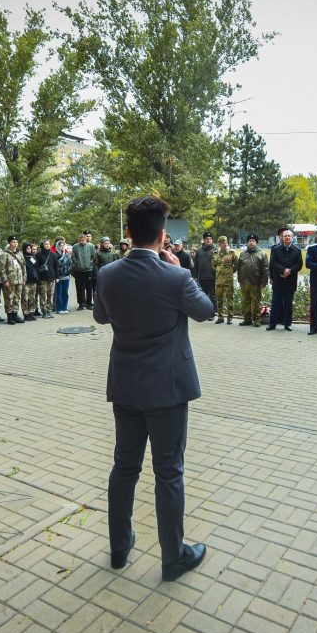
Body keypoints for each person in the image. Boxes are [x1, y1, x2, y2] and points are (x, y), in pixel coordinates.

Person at [93, 195, 213, 582]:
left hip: (126, 386)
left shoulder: (108, 273)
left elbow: (100, 317)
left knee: (124, 467)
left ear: (128, 232)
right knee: (169, 473)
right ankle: (172, 557)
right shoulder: (176, 277)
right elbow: (206, 311)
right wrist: (182, 272)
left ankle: (119, 546)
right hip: (168, 390)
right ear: (163, 236)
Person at [267, 227, 302, 331]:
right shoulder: (276, 249)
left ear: (292, 237)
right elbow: (273, 263)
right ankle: (272, 324)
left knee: (288, 304)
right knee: (275, 303)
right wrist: (283, 270)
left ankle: (287, 324)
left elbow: (299, 265)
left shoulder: (297, 250)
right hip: (278, 280)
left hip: (290, 281)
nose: (287, 237)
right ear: (282, 237)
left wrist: (289, 271)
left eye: (289, 236)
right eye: (285, 236)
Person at [236, 234, 267, 326]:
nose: (251, 243)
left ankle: (257, 320)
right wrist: (239, 279)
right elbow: (238, 268)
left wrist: (263, 282)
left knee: (256, 301)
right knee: (245, 301)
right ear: (247, 243)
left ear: (256, 243)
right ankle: (247, 319)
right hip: (244, 282)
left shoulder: (262, 254)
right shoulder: (242, 254)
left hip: (255, 282)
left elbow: (265, 270)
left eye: (253, 241)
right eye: (249, 241)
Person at [211, 236, 238, 325]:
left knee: (230, 299)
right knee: (219, 299)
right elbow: (213, 265)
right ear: (219, 244)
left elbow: (236, 264)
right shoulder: (215, 253)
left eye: (226, 242)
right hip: (219, 281)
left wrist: (230, 271)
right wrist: (219, 271)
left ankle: (230, 317)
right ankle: (220, 317)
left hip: (228, 281)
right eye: (222, 243)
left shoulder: (231, 253)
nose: (225, 244)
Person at [1, 236, 26, 324]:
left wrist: (24, 278)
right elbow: (2, 269)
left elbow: (24, 267)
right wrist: (5, 280)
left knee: (17, 298)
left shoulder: (20, 254)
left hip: (19, 280)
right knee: (9, 298)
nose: (15, 244)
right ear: (9, 243)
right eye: (13, 242)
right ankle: (10, 316)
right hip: (10, 281)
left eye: (16, 242)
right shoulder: (5, 254)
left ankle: (15, 314)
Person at [71, 232, 96, 310]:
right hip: (79, 271)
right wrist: (77, 263)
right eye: (80, 240)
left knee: (89, 288)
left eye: (83, 240)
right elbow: (73, 257)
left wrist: (90, 263)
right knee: (79, 288)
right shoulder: (75, 246)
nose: (82, 241)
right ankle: (80, 304)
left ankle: (89, 304)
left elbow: (93, 256)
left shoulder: (91, 246)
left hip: (88, 270)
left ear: (86, 239)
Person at [193, 231, 216, 315]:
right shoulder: (199, 251)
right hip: (202, 277)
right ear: (204, 240)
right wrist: (195, 276)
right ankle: (205, 313)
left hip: (212, 277)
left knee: (213, 296)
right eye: (207, 239)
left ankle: (212, 313)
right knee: (203, 296)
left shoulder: (216, 251)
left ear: (212, 240)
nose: (208, 240)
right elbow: (196, 265)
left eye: (210, 239)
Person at [36, 239, 58, 319]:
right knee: (43, 295)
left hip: (51, 278)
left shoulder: (53, 254)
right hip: (42, 279)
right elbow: (36, 267)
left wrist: (57, 277)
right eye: (46, 244)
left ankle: (49, 310)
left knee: (50, 295)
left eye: (48, 244)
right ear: (42, 245)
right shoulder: (38, 255)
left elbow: (56, 266)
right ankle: (44, 311)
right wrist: (38, 279)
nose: (47, 245)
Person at [22, 242, 39, 321]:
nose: (29, 250)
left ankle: (31, 312)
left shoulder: (32, 257)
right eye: (27, 248)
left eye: (30, 248)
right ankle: (25, 314)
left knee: (32, 298)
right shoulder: (22, 257)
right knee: (25, 298)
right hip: (26, 281)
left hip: (33, 280)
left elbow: (36, 267)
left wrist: (37, 278)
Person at [54, 239, 72, 314]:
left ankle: (65, 307)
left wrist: (68, 272)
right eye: (60, 246)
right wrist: (56, 277)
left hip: (66, 277)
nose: (62, 247)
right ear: (58, 247)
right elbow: (55, 267)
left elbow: (70, 265)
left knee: (65, 293)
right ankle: (59, 308)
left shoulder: (67, 255)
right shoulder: (55, 255)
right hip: (59, 278)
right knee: (59, 293)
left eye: (63, 246)